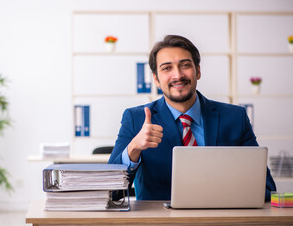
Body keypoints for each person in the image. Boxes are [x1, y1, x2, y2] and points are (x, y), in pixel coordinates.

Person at [108, 35, 276, 201]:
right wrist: (133, 149)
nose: (178, 75)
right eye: (167, 68)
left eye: (185, 65)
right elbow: (110, 192)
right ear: (156, 79)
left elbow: (266, 188)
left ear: (198, 71)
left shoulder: (234, 117)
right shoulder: (135, 119)